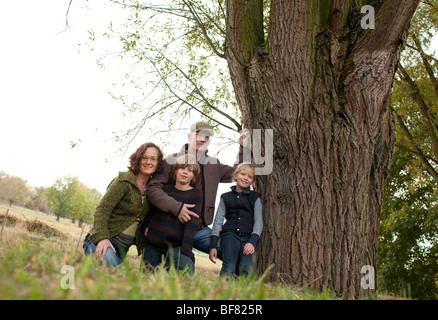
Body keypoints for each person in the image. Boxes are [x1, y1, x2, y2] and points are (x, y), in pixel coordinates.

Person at [146, 121, 247, 255]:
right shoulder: (172, 160)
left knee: (233, 252)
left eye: (206, 137)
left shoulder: (214, 165)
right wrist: (177, 208)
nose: (202, 139)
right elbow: (153, 188)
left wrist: (243, 148)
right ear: (189, 136)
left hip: (200, 230)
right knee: (169, 267)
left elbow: (237, 172)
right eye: (198, 135)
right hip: (171, 226)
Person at [83, 142, 164, 268]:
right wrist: (103, 238)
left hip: (122, 249)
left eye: (153, 159)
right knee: (118, 276)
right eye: (145, 158)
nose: (149, 162)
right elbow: (102, 210)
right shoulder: (123, 181)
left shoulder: (153, 189)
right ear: (138, 159)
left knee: (110, 279)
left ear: (158, 163)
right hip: (102, 240)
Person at [143, 155, 202, 274]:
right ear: (175, 171)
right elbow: (152, 211)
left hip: (175, 245)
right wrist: (146, 226)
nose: (185, 172)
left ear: (194, 176)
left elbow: (193, 223)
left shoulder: (196, 194)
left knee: (180, 275)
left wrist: (187, 249)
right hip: (153, 242)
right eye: (182, 168)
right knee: (147, 277)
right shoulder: (165, 189)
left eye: (190, 170)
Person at [209, 163, 263, 278]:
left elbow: (258, 221)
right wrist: (213, 245)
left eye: (250, 177)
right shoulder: (225, 197)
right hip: (230, 235)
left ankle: (243, 294)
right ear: (235, 175)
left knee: (247, 267)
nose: (245, 178)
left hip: (248, 238)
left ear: (253, 181)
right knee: (229, 266)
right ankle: (223, 292)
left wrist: (252, 242)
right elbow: (218, 221)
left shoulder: (255, 197)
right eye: (243, 174)